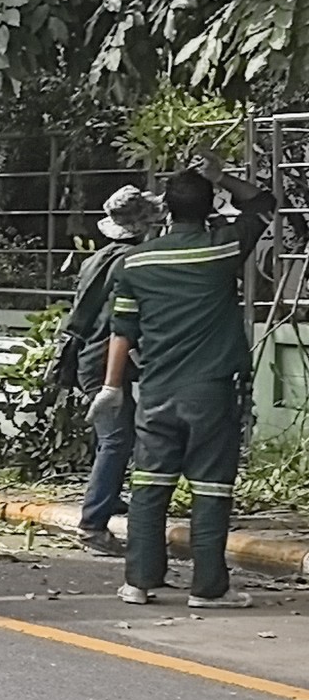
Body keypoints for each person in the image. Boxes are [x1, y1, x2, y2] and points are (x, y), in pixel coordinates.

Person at [94, 157, 275, 610]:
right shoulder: (221, 249)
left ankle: (139, 581)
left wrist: (112, 387)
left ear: (166, 210)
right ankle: (208, 587)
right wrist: (221, 177)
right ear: (210, 207)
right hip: (210, 391)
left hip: (155, 392)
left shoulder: (135, 262)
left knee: (149, 487)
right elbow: (263, 203)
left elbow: (123, 329)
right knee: (211, 489)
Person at [60, 186, 164, 555]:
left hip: (91, 358)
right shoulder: (131, 262)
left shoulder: (98, 259)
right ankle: (93, 524)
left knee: (114, 436)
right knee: (118, 438)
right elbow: (123, 325)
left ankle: (106, 497)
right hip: (105, 362)